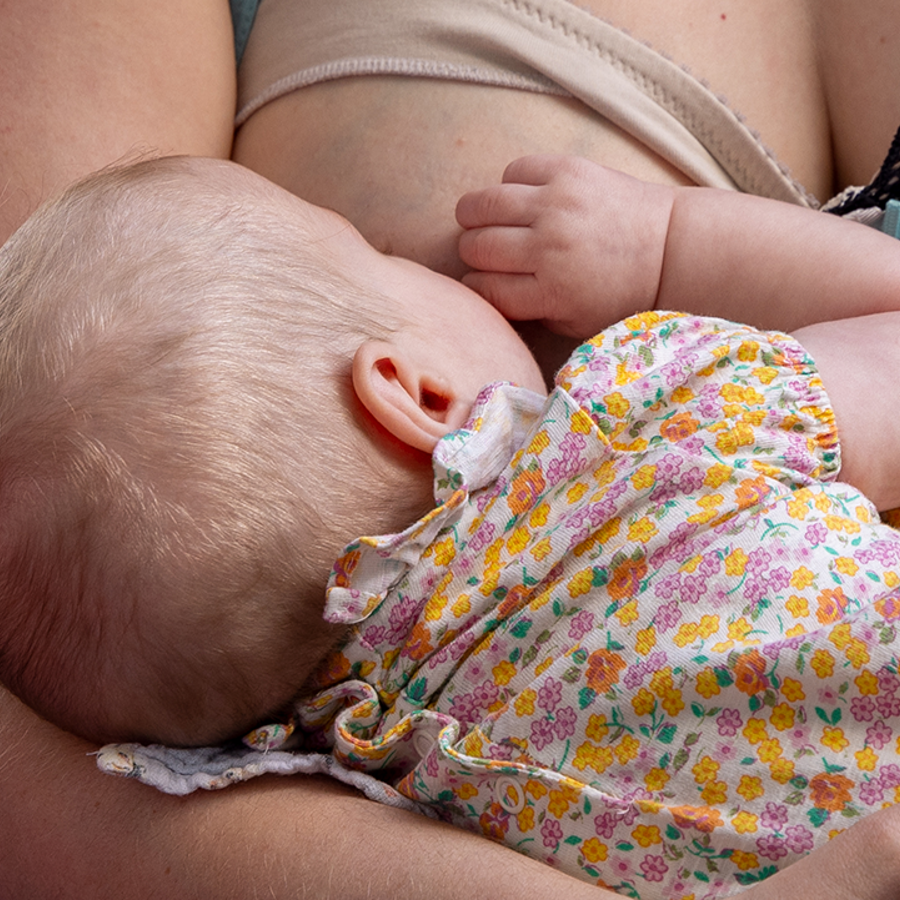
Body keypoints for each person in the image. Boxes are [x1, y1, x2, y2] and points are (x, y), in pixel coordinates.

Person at [4, 1, 900, 898]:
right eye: (369, 251)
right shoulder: (639, 426)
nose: (405, 261)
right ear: (414, 393)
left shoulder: (350, 762)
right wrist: (664, 243)